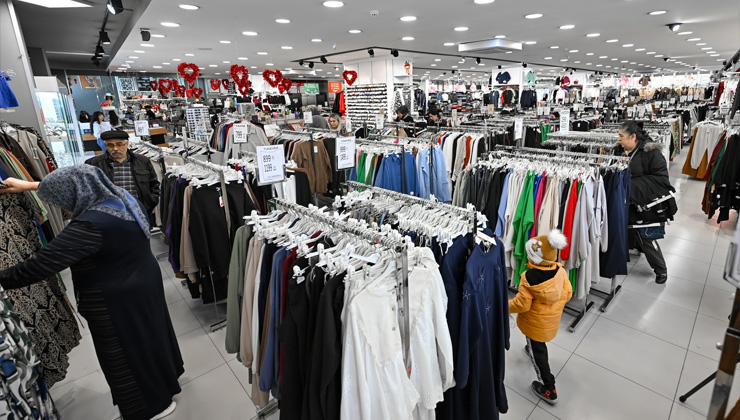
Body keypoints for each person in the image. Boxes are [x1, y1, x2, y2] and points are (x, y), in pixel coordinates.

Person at [0, 165, 184, 420]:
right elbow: (78, 182)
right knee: (149, 340)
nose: (62, 208)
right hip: (143, 284)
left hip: (115, 302)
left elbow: (37, 267)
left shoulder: (89, 225)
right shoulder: (122, 198)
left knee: (124, 355)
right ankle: (163, 390)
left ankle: (150, 408)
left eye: (60, 201)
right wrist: (30, 186)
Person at [509, 229, 572, 405]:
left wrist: (504, 306)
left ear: (535, 259)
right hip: (550, 321)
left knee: (539, 353)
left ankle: (549, 388)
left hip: (534, 324)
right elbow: (568, 293)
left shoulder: (528, 277)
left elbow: (522, 305)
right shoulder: (559, 270)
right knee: (538, 344)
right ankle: (531, 349)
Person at [618, 120, 675, 284]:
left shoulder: (651, 153)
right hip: (631, 200)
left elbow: (661, 180)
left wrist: (631, 184)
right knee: (631, 230)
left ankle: (661, 270)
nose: (618, 139)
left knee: (646, 235)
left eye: (621, 136)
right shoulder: (623, 151)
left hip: (647, 204)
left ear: (633, 137)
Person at [86, 130, 161, 216]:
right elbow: (88, 190)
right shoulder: (94, 164)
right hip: (109, 215)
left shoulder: (143, 161)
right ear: (105, 145)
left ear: (127, 143)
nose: (115, 148)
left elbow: (154, 185)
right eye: (110, 145)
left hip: (139, 212)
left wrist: (149, 204)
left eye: (119, 144)